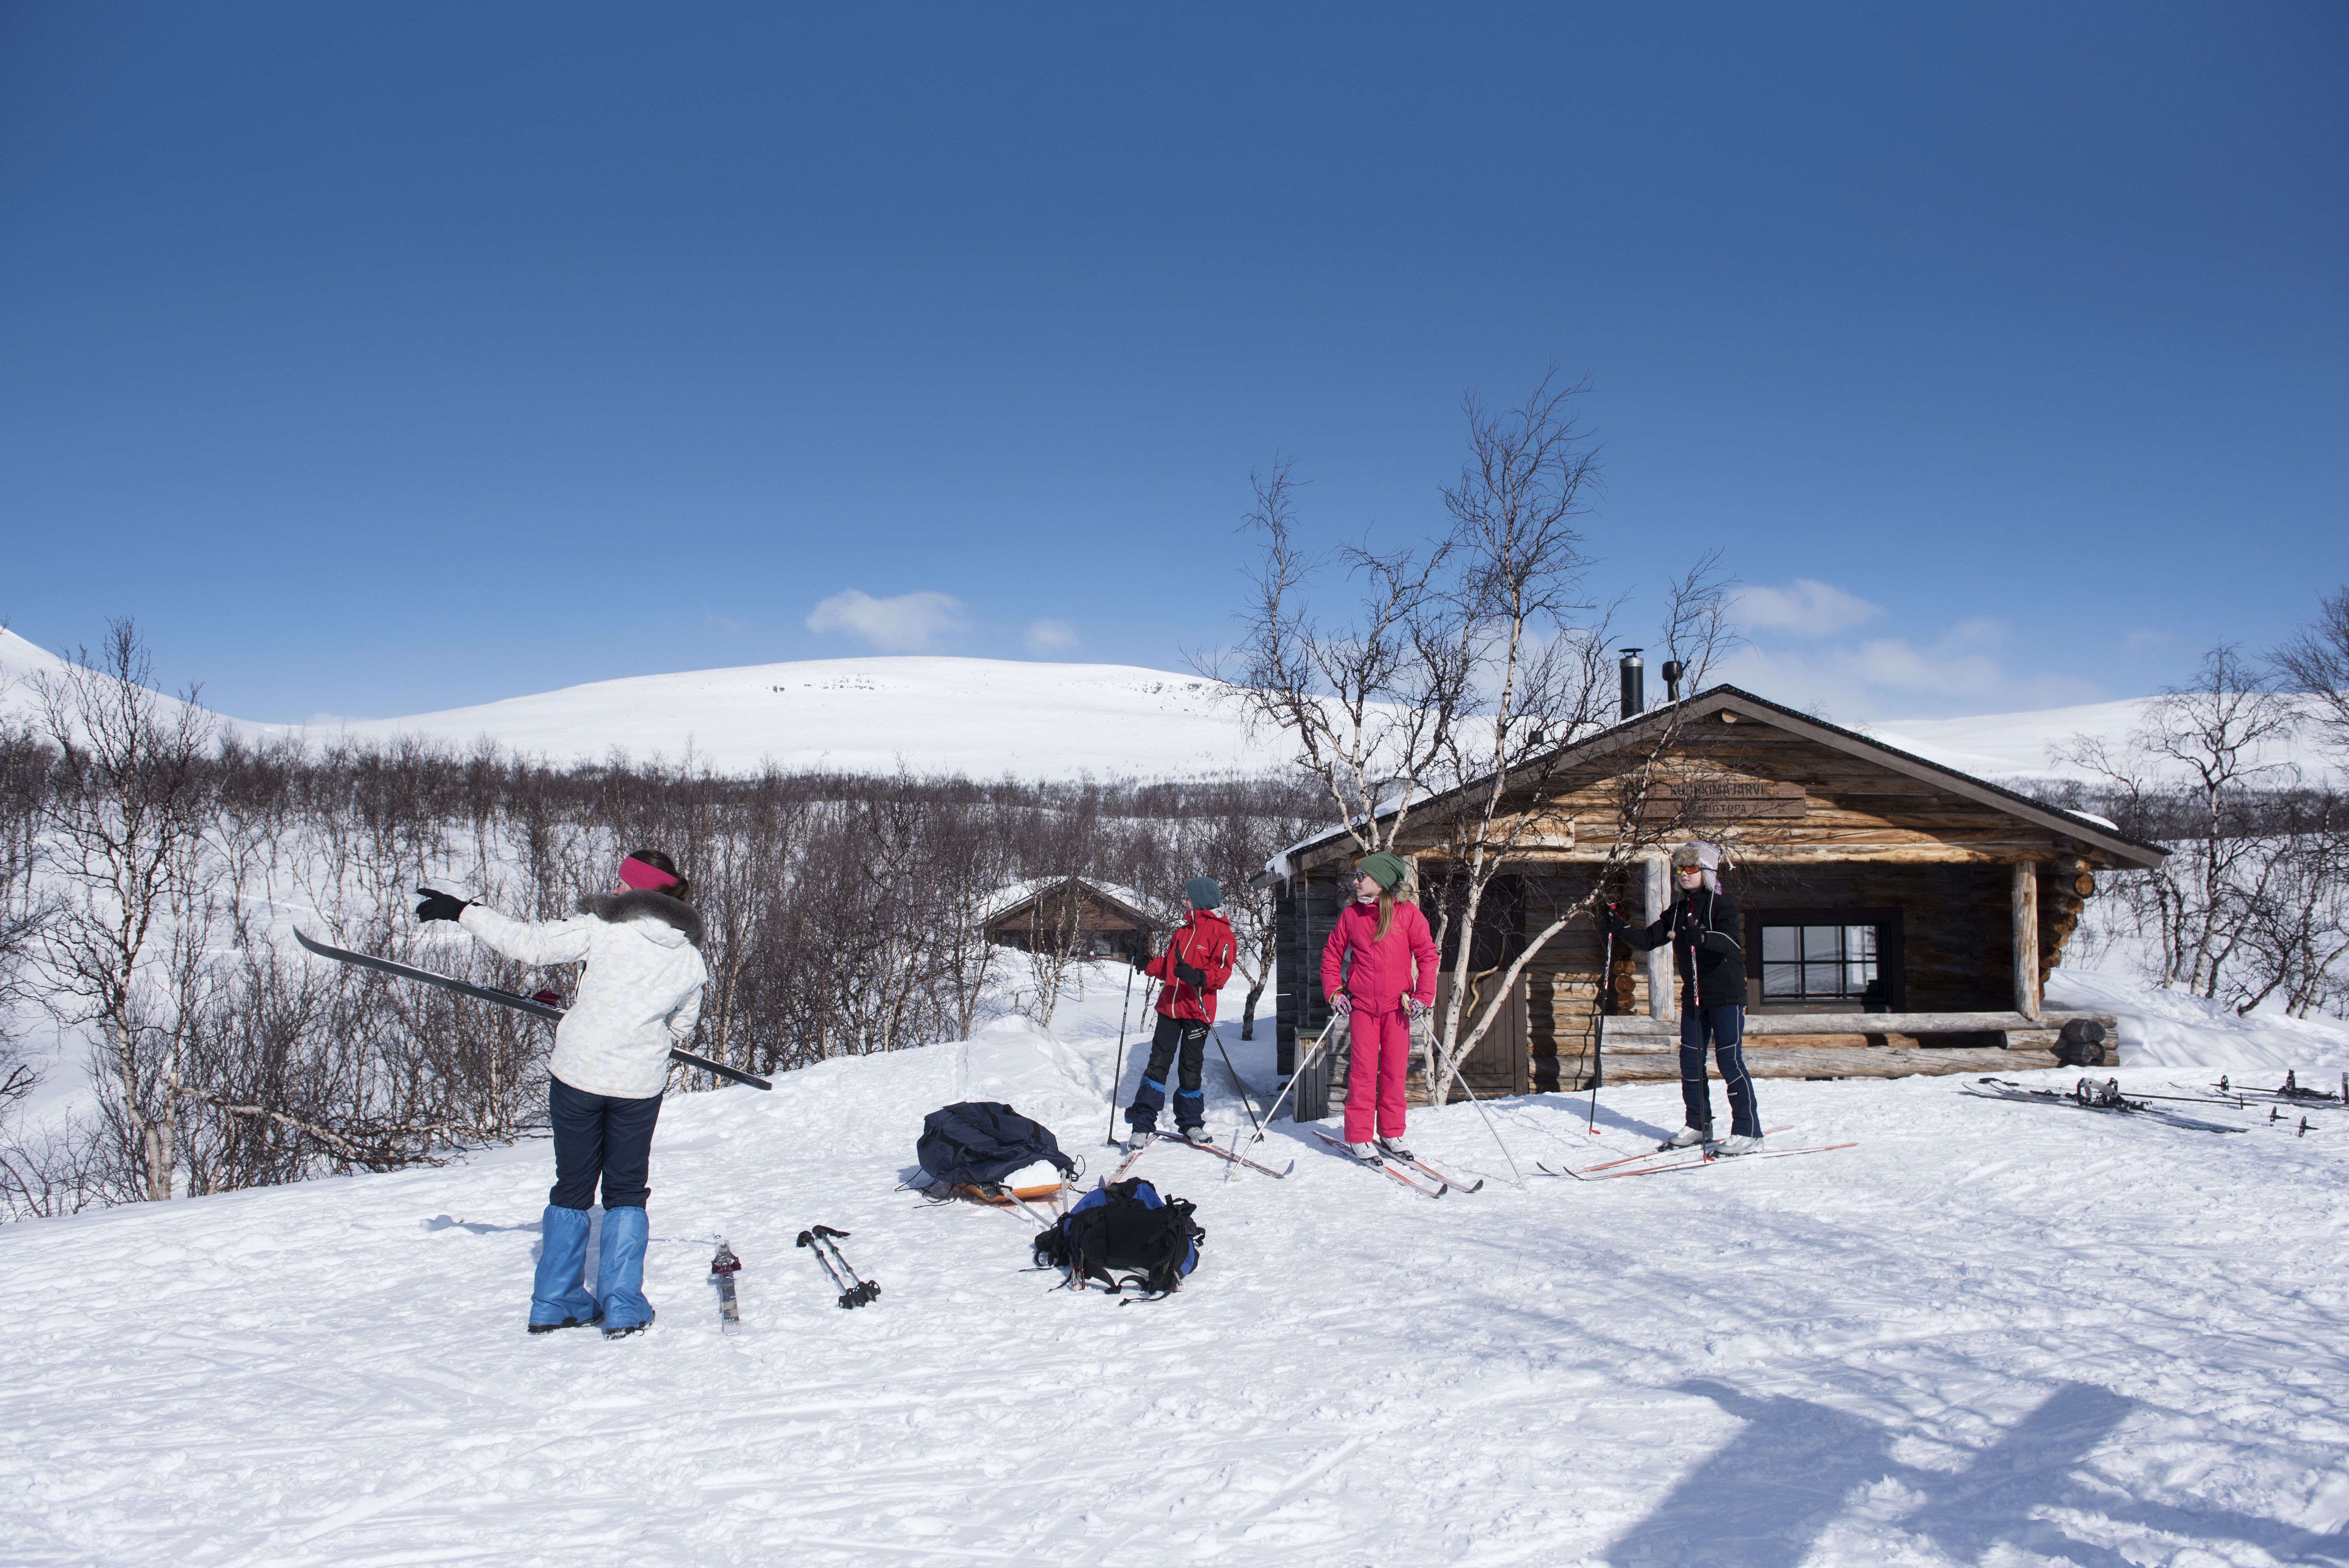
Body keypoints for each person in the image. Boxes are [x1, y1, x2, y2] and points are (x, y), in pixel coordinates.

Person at [416, 849, 709, 1337]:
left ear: (637, 890)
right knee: (625, 1191)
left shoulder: (599, 927)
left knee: (573, 1185)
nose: (614, 890)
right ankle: (622, 1303)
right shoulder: (690, 960)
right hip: (637, 1086)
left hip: (577, 1075)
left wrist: (461, 909)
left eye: (621, 884)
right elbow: (682, 1031)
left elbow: (527, 944)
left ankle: (556, 1300)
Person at [1606, 840, 1761, 1154]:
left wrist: (1703, 937)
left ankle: (1749, 1132)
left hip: (1726, 996)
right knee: (1690, 1061)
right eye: (1680, 869)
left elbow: (1730, 942)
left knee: (1729, 1061)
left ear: (1706, 872)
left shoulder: (1722, 907)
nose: (1684, 875)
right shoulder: (1677, 911)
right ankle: (1699, 1123)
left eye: (1691, 869)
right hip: (1695, 998)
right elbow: (1650, 940)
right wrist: (1621, 928)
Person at [1319, 851, 1439, 1163]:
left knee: (1395, 1072)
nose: (1356, 881)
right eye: (1356, 876)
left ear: (1381, 882)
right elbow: (1332, 955)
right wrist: (1335, 992)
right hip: (1362, 1008)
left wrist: (1424, 996)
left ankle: (1391, 1132)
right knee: (1362, 1072)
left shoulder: (1408, 915)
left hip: (1397, 1009)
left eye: (1362, 876)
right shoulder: (1351, 916)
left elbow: (1428, 955)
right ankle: (1359, 1135)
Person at [1124, 876, 1237, 1145]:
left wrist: (1199, 976)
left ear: (1200, 900)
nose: (1184, 900)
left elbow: (1222, 972)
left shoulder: (1223, 934)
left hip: (1197, 1011)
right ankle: (1142, 1124)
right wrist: (1146, 962)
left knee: (1190, 1068)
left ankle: (1191, 1124)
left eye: (1188, 896)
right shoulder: (1182, 933)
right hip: (1170, 1009)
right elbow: (1168, 967)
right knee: (1157, 1064)